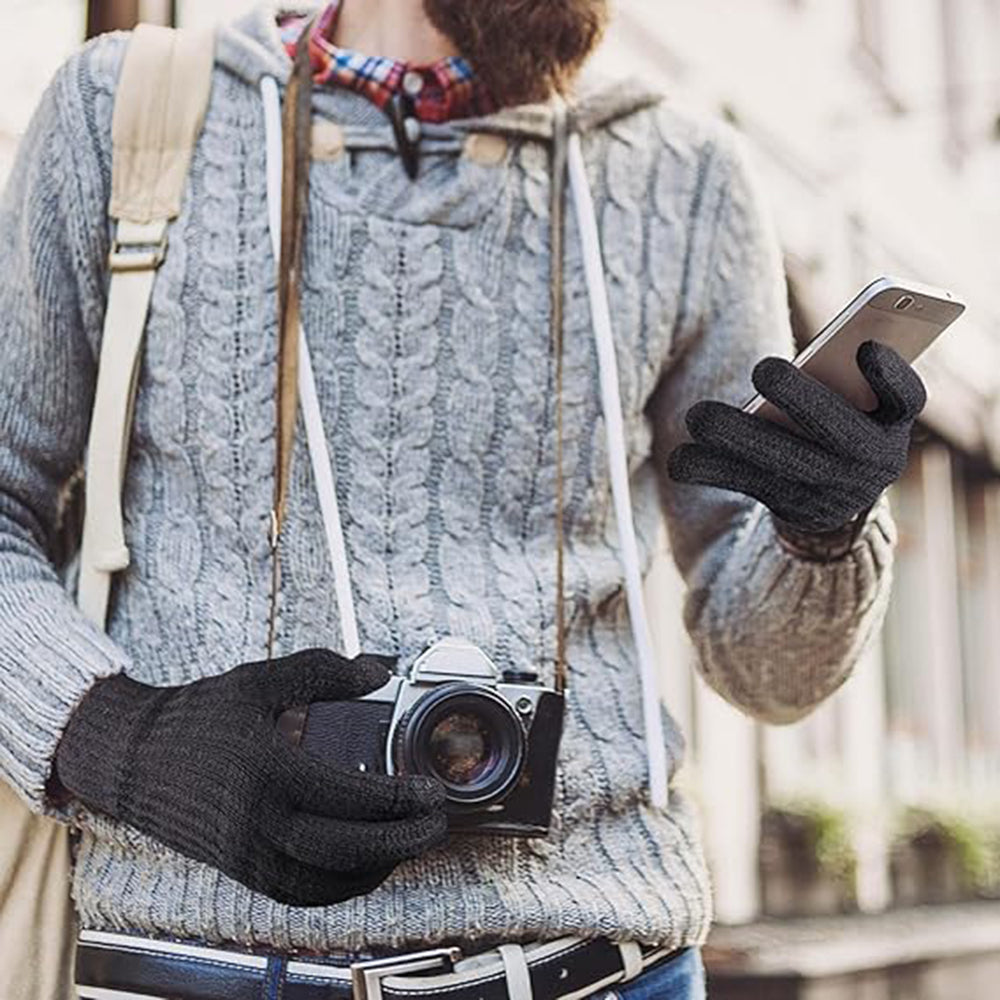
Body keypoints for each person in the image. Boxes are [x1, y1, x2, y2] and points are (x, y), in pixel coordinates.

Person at [0, 1, 925, 997]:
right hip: (196, 966)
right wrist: (120, 738)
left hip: (605, 964)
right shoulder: (127, 114)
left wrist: (822, 533)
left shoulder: (686, 179)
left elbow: (767, 675)